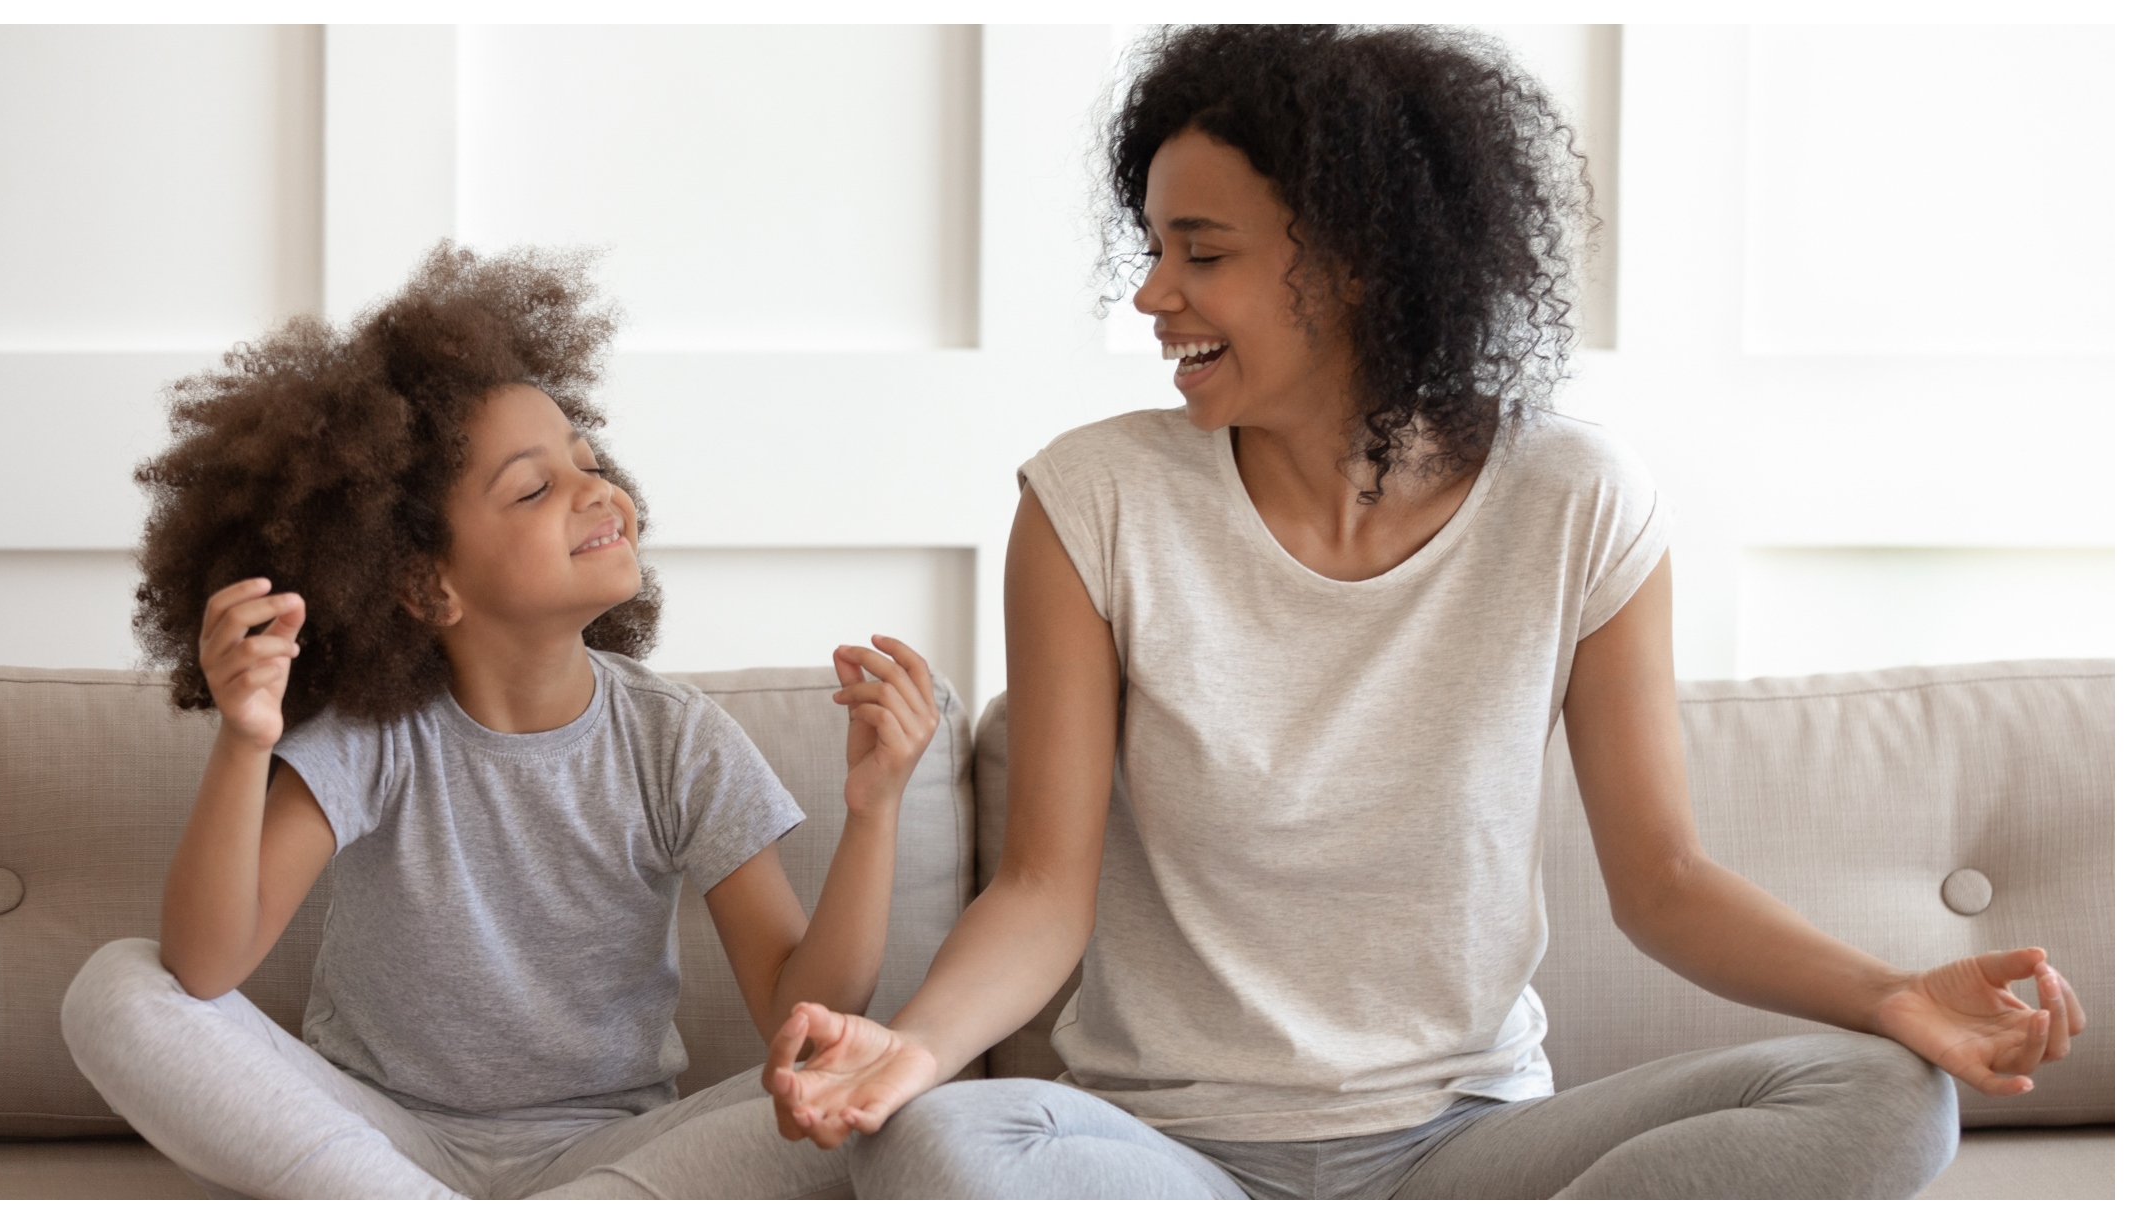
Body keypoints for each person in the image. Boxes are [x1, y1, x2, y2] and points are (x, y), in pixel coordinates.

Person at [759, 26, 2088, 1198]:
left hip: (1468, 1152)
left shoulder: (1577, 501)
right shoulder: (1092, 499)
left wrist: (1892, 995)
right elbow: (1045, 888)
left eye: (1200, 253)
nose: (1152, 296)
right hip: (1165, 1157)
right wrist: (917, 1048)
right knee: (934, 1143)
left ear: (1355, 262)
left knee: (1885, 1098)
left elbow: (1666, 883)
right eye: (1154, 248)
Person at [61, 245, 942, 1199]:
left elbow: (799, 1013)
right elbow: (203, 963)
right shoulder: (373, 739)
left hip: (612, 1153)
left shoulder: (676, 738)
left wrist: (875, 808)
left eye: (589, 463)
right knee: (116, 990)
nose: (599, 491)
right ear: (425, 582)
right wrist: (245, 739)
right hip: (384, 1139)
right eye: (534, 487)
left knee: (878, 1091)